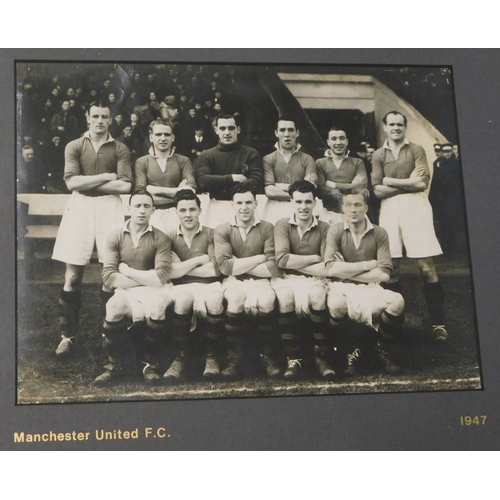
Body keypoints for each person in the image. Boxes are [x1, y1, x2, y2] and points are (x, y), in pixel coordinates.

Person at [52, 102, 133, 358]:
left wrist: (90, 184)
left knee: (110, 274)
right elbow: (71, 183)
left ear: (111, 120)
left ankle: (107, 333)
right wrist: (108, 176)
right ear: (87, 118)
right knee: (73, 276)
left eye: (105, 116)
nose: (100, 120)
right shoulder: (74, 146)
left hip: (110, 208)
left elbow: (126, 187)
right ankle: (67, 337)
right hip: (80, 208)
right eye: (95, 116)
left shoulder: (120, 148)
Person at [371, 111, 447, 341]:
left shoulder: (416, 149)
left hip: (417, 207)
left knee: (426, 265)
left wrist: (390, 180)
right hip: (389, 209)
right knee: (391, 265)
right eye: (391, 124)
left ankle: (438, 324)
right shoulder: (377, 155)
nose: (395, 127)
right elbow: (376, 190)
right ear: (385, 127)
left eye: (400, 124)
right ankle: (395, 323)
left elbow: (422, 183)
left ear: (405, 127)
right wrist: (408, 182)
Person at [95, 189, 178, 385]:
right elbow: (108, 277)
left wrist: (128, 271)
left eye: (146, 206)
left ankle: (150, 363)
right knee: (113, 307)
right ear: (129, 208)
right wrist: (144, 278)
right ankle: (114, 364)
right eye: (138, 206)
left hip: (157, 290)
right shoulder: (115, 236)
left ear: (153, 210)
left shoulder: (161, 238)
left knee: (158, 306)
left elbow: (161, 277)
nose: (142, 210)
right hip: (128, 290)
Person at [325, 188, 405, 375]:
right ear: (342, 208)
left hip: (370, 288)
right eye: (348, 205)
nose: (353, 210)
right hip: (340, 287)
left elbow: (384, 274)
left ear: (366, 207)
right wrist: (368, 264)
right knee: (335, 304)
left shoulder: (379, 233)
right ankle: (352, 351)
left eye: (358, 204)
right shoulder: (335, 230)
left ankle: (382, 350)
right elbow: (331, 269)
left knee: (397, 301)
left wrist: (346, 270)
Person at [213, 184, 282, 379]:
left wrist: (239, 264)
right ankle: (234, 358)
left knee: (267, 298)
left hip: (263, 282)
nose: (244, 207)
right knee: (235, 298)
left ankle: (268, 355)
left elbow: (275, 267)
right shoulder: (222, 229)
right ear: (232, 205)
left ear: (255, 204)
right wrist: (260, 258)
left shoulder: (268, 228)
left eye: (248, 202)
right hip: (233, 282)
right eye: (239, 203)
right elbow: (225, 267)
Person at [273, 181, 331, 379]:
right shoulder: (282, 224)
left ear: (315, 202)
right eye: (298, 201)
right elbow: (281, 260)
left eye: (308, 201)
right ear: (291, 202)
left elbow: (327, 266)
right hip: (287, 278)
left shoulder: (324, 227)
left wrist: (294, 260)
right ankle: (294, 357)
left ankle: (321, 356)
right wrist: (314, 258)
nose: (303, 206)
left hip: (315, 278)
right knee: (285, 295)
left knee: (318, 294)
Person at [167, 190, 224, 379]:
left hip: (209, 284)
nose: (188, 214)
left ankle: (212, 356)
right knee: (182, 299)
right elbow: (170, 272)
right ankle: (178, 358)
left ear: (200, 210)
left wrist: (181, 267)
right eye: (182, 210)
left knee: (215, 299)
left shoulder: (211, 233)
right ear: (176, 212)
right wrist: (200, 259)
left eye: (192, 209)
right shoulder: (169, 237)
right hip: (181, 287)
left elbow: (215, 270)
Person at [194, 113, 263, 228]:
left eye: (231, 128)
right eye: (222, 128)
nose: (227, 132)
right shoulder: (207, 155)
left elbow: (256, 182)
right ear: (216, 130)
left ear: (238, 129)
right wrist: (232, 178)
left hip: (244, 208)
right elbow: (202, 181)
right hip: (217, 209)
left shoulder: (251, 154)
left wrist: (219, 183)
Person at [134, 118, 197, 234]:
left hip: (178, 214)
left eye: (167, 134)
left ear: (173, 137)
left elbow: (190, 193)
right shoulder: (142, 162)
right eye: (158, 134)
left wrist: (154, 190)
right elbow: (142, 196)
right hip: (152, 215)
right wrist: (179, 191)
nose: (163, 138)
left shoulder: (183, 160)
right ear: (151, 137)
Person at [262, 118, 318, 224]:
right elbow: (269, 190)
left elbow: (311, 187)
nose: (287, 134)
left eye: (291, 130)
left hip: (300, 209)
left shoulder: (307, 159)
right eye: (282, 130)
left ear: (297, 133)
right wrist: (299, 191)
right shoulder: (268, 159)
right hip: (275, 210)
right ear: (276, 133)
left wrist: (279, 186)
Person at [316, 127, 368, 225]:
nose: (338, 142)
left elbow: (362, 187)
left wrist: (334, 185)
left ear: (347, 141)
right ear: (328, 142)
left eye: (342, 138)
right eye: (334, 139)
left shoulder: (357, 162)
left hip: (355, 214)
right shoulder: (320, 163)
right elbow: (321, 190)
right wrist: (351, 187)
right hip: (329, 215)